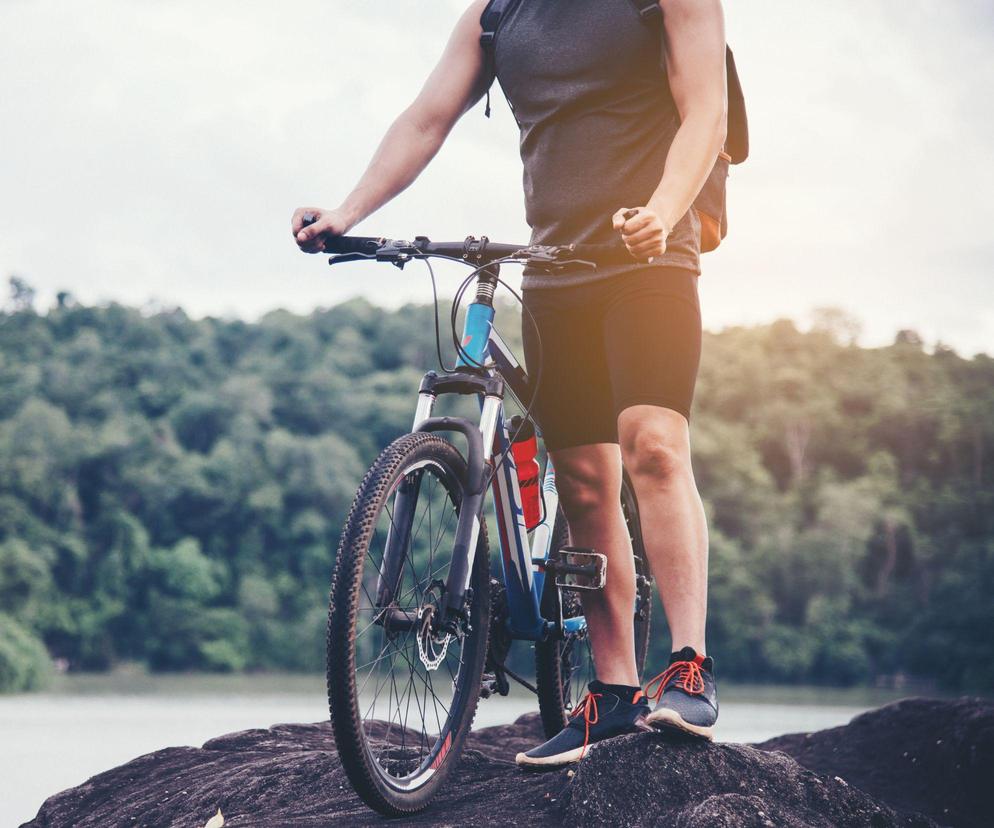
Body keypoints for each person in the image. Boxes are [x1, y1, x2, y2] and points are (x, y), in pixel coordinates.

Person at [292, 0, 726, 767]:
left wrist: (663, 212)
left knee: (653, 446)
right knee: (587, 484)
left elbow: (705, 116)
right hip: (556, 269)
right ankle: (614, 696)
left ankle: (689, 666)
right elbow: (427, 118)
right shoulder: (498, 14)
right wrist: (349, 211)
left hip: (652, 261)